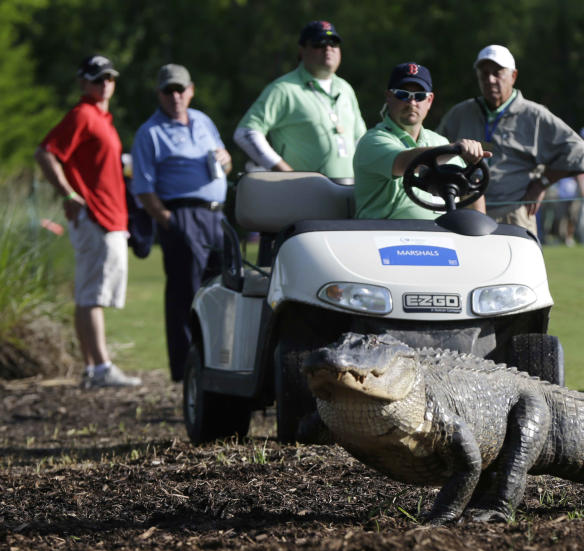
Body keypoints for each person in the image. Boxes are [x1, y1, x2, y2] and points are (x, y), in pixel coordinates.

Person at [34, 55, 141, 388]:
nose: (105, 84)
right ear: (84, 82)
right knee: (92, 295)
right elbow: (46, 152)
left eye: (109, 78)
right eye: (98, 79)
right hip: (95, 216)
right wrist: (67, 194)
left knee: (90, 294)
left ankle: (94, 367)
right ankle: (100, 368)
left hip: (106, 217)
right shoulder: (82, 115)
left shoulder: (100, 117)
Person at [132, 64, 231, 383]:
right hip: (182, 216)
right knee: (185, 296)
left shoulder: (203, 121)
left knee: (224, 291)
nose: (175, 96)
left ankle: (220, 362)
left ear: (191, 90)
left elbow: (223, 161)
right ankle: (188, 372)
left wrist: (226, 161)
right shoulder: (150, 132)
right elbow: (143, 188)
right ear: (159, 94)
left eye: (180, 89)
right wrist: (169, 221)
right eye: (168, 91)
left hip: (216, 215)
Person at [437, 44, 584, 237]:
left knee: (520, 267)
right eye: (484, 73)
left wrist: (542, 183)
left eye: (497, 73)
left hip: (513, 214)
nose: (490, 79)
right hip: (466, 214)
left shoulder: (534, 115)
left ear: (514, 76)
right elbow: (434, 152)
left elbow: (578, 151)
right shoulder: (460, 113)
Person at [353, 62, 489, 219]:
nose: (412, 103)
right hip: (381, 237)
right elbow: (404, 162)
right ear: (389, 97)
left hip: (440, 238)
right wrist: (455, 148)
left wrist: (479, 233)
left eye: (420, 96)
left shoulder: (439, 141)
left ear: (429, 100)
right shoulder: (373, 140)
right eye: (403, 94)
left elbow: (471, 188)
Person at [234, 20, 364, 182]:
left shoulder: (345, 89)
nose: (328, 48)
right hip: (304, 193)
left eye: (334, 43)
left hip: (349, 189)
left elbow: (361, 140)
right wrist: (287, 174)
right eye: (319, 43)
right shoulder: (284, 89)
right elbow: (246, 133)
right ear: (302, 51)